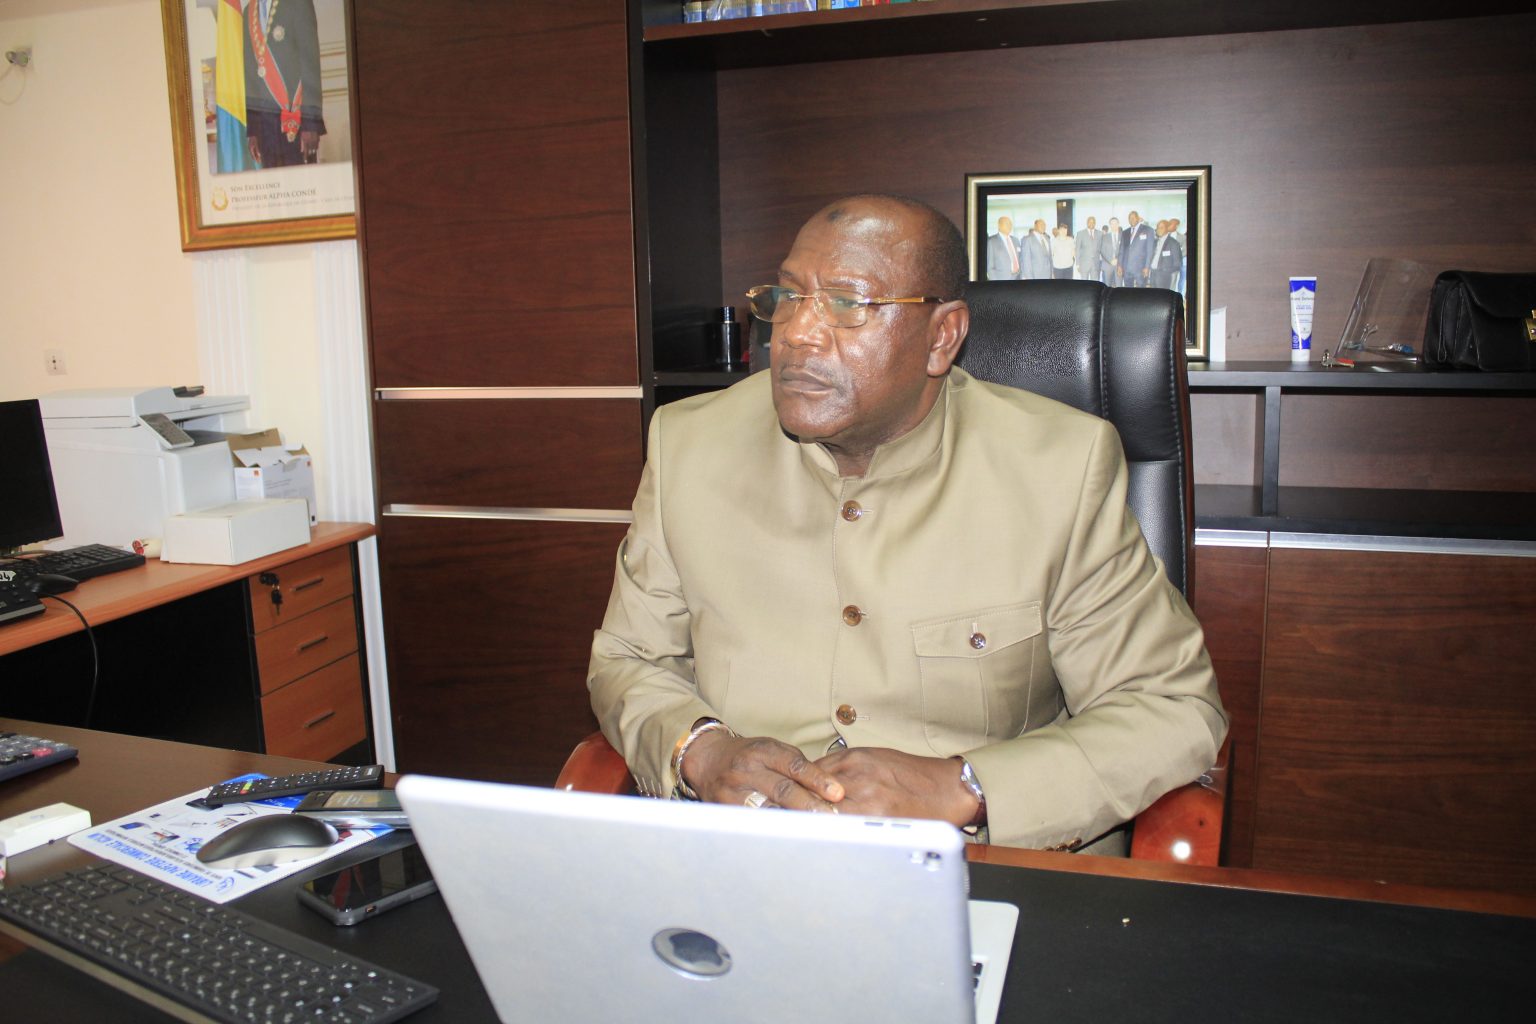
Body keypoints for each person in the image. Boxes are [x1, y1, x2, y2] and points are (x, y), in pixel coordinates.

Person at [587, 194, 1226, 852]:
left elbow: (1171, 709)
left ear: (942, 337)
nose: (797, 333)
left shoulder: (1058, 468)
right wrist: (699, 750)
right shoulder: (690, 446)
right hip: (743, 858)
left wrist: (969, 787)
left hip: (972, 868)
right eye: (788, 297)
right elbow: (628, 660)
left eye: (847, 303)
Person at [244, 0, 326, 168]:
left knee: (302, 181)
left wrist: (311, 123)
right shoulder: (248, 12)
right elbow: (250, 76)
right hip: (265, 128)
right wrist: (253, 130)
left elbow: (310, 64)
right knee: (273, 183)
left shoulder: (298, 3)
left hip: (297, 120)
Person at [1120, 211, 1155, 287]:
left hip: (1140, 268)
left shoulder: (1148, 230)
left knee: (1141, 291)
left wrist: (1147, 267)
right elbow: (1122, 250)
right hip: (1126, 268)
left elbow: (1150, 250)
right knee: (1128, 291)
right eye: (1130, 218)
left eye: (1133, 217)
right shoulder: (1125, 232)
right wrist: (1120, 265)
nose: (1131, 219)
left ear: (1138, 218)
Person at [1148, 220, 1183, 290]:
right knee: (1153, 295)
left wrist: (1165, 271)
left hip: (1164, 277)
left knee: (1162, 296)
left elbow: (1178, 263)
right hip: (1153, 275)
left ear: (1167, 229)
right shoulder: (1154, 242)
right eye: (1158, 228)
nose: (1159, 230)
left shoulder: (1173, 243)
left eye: (1161, 228)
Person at [985, 215, 1021, 281]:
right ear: (999, 225)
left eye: (1010, 224)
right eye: (1007, 223)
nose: (1009, 226)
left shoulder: (1016, 240)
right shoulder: (991, 242)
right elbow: (990, 267)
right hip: (1002, 280)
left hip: (1018, 278)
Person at [1074, 217, 1102, 281]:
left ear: (1095, 223)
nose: (1091, 223)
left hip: (1096, 264)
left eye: (1093, 222)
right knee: (1084, 283)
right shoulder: (1080, 233)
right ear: (1087, 223)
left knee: (1095, 283)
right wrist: (1077, 264)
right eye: (1090, 222)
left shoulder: (1100, 233)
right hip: (1084, 264)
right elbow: (1077, 249)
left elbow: (1101, 248)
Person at [1100, 216, 1123, 285]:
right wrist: (1110, 260)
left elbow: (1124, 250)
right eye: (1112, 224)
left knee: (1119, 285)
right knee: (1107, 286)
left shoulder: (1123, 236)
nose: (1114, 225)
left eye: (1115, 223)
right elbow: (1102, 251)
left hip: (1119, 265)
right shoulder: (1104, 237)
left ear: (1118, 224)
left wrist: (1117, 259)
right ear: (1110, 225)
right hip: (1107, 265)